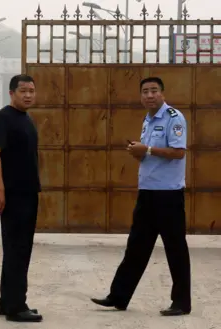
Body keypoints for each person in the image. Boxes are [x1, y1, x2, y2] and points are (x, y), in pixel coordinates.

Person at [90, 77, 191, 316]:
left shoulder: (174, 118)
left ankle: (181, 303)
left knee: (175, 250)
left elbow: (178, 153)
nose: (149, 95)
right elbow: (150, 154)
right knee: (136, 247)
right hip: (147, 193)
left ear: (162, 94)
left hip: (168, 195)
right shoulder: (147, 119)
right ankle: (118, 297)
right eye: (145, 92)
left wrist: (146, 149)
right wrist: (139, 151)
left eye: (154, 91)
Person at [0, 74, 43, 323]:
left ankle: (7, 301)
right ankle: (16, 306)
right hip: (14, 194)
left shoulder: (24, 119)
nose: (28, 95)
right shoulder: (3, 119)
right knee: (17, 249)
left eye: (31, 90)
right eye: (23, 91)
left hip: (27, 192)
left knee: (18, 249)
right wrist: (0, 189)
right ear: (12, 93)